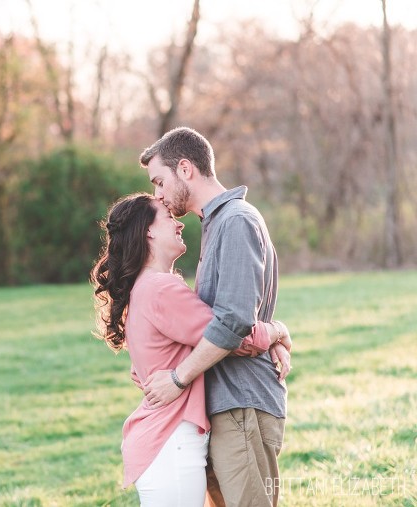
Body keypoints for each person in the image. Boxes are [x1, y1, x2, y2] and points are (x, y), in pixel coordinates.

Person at [90, 193, 291, 507]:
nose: (179, 223)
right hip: (173, 444)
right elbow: (234, 335)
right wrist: (279, 331)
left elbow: (139, 372)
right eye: (168, 217)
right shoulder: (161, 288)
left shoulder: (143, 289)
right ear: (149, 232)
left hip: (163, 444)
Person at [138, 126, 289, 507]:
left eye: (159, 181)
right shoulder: (216, 224)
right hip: (225, 406)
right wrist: (276, 332)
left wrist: (178, 377)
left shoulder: (235, 220)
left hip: (243, 404)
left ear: (185, 169)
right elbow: (233, 315)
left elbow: (234, 321)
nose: (157, 193)